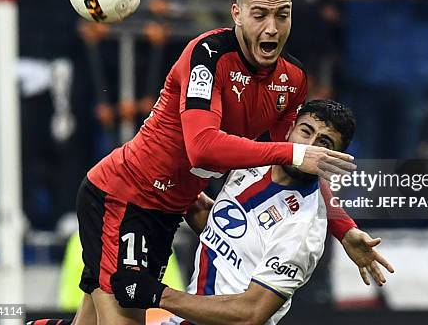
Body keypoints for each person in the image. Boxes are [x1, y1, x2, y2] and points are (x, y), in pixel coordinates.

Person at [70, 0, 374, 325]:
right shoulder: (208, 57)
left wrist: (344, 229)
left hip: (168, 210)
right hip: (125, 195)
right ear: (237, 13)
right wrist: (293, 151)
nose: (272, 28)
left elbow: (294, 166)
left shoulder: (291, 80)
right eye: (259, 14)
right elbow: (204, 145)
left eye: (283, 14)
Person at [110, 100, 394, 325]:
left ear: (335, 159)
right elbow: (225, 229)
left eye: (324, 144)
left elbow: (249, 314)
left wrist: (158, 294)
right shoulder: (255, 158)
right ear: (291, 129)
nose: (309, 147)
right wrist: (176, 191)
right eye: (306, 131)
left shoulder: (303, 231)